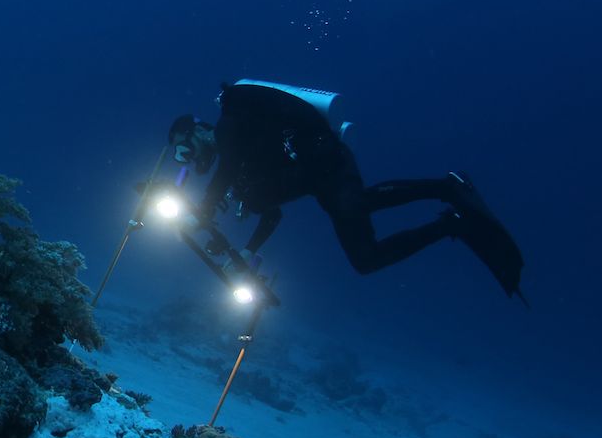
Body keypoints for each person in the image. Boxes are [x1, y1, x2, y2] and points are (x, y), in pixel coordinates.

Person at [167, 79, 525, 301]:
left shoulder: (229, 128)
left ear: (198, 129)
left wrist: (204, 208)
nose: (187, 159)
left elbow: (225, 170)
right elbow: (271, 212)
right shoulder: (237, 164)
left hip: (329, 163)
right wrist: (245, 251)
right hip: (316, 175)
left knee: (360, 207)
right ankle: (450, 222)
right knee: (365, 257)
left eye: (184, 148)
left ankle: (447, 190)